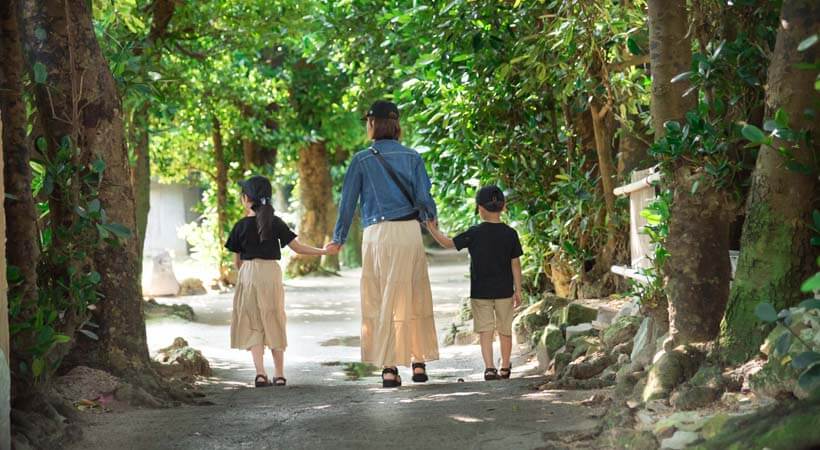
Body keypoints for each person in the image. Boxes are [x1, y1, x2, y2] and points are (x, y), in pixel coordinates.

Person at [325, 100, 439, 388]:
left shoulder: (361, 159)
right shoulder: (413, 157)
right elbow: (425, 199)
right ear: (396, 124)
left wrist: (338, 238)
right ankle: (418, 362)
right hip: (409, 233)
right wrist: (432, 224)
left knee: (382, 297)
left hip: (377, 234)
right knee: (413, 292)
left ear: (373, 124)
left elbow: (347, 204)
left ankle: (389, 368)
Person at [226, 175, 329, 387]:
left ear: (246, 198)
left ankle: (260, 374)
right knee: (274, 318)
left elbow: (237, 262)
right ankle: (280, 374)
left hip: (249, 273)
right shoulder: (276, 223)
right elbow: (298, 248)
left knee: (253, 321)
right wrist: (324, 251)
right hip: (271, 273)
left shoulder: (240, 226)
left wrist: (246, 274)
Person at [426, 185, 523, 381]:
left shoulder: (474, 232)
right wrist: (518, 290)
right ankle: (505, 367)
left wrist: (432, 229)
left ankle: (489, 368)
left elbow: (449, 244)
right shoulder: (510, 233)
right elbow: (516, 264)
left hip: (480, 292)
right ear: (503, 207)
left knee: (485, 331)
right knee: (505, 330)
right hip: (505, 291)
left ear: (479, 208)